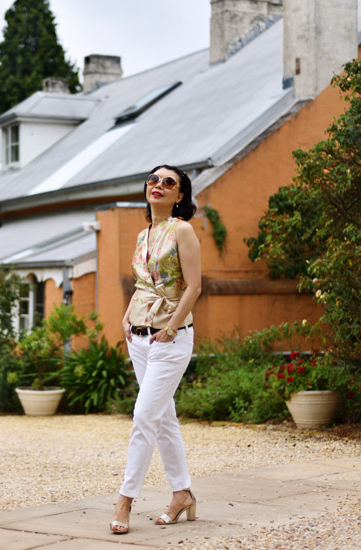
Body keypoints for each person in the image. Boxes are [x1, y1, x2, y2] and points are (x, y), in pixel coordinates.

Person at [110, 164, 201, 535]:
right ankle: (182, 494)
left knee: (144, 417)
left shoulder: (183, 230)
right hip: (139, 335)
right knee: (164, 419)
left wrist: (171, 327)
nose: (158, 186)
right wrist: (125, 317)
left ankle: (124, 501)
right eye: (153, 180)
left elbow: (194, 286)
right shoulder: (143, 233)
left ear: (180, 195)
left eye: (169, 182)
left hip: (170, 338)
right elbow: (142, 283)